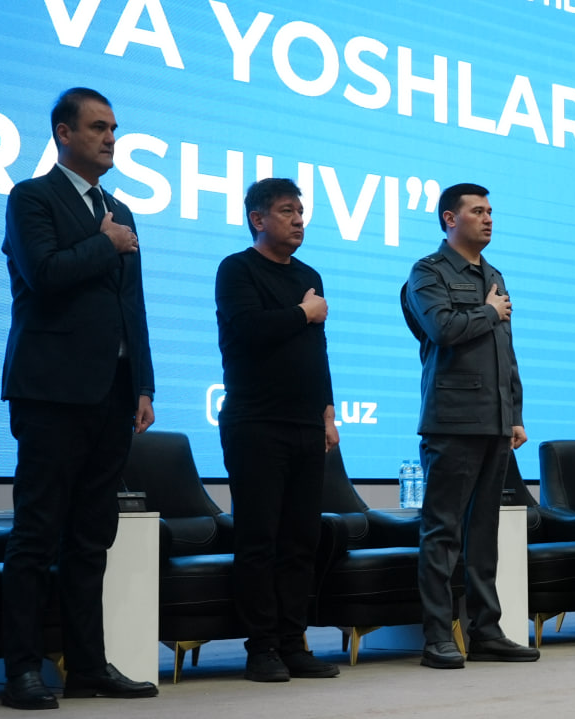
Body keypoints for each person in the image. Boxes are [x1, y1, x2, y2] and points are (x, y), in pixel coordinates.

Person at [0, 87, 159, 709]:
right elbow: (43, 275)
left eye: (114, 128)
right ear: (63, 134)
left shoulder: (119, 209)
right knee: (37, 534)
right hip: (51, 391)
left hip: (112, 393)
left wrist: (143, 383)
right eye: (97, 127)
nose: (110, 138)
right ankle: (22, 671)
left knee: (93, 537)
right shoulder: (31, 197)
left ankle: (88, 666)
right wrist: (105, 244)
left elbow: (131, 305)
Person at [404, 183, 540, 668]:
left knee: (484, 534)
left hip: (495, 421)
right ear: (449, 219)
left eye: (490, 211)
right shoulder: (428, 271)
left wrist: (515, 413)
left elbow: (506, 352)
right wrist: (488, 311)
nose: (488, 219)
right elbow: (441, 329)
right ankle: (438, 636)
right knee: (443, 532)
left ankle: (487, 632)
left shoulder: (494, 274)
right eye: (477, 211)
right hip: (453, 420)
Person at [215, 177, 341, 682]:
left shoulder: (309, 275)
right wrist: (303, 312)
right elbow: (248, 330)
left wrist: (328, 413)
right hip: (255, 423)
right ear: (258, 218)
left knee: (300, 541)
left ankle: (293, 642)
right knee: (259, 539)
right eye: (287, 211)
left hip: (306, 423)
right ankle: (261, 647)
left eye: (301, 212)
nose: (299, 220)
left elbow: (317, 351)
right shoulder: (237, 269)